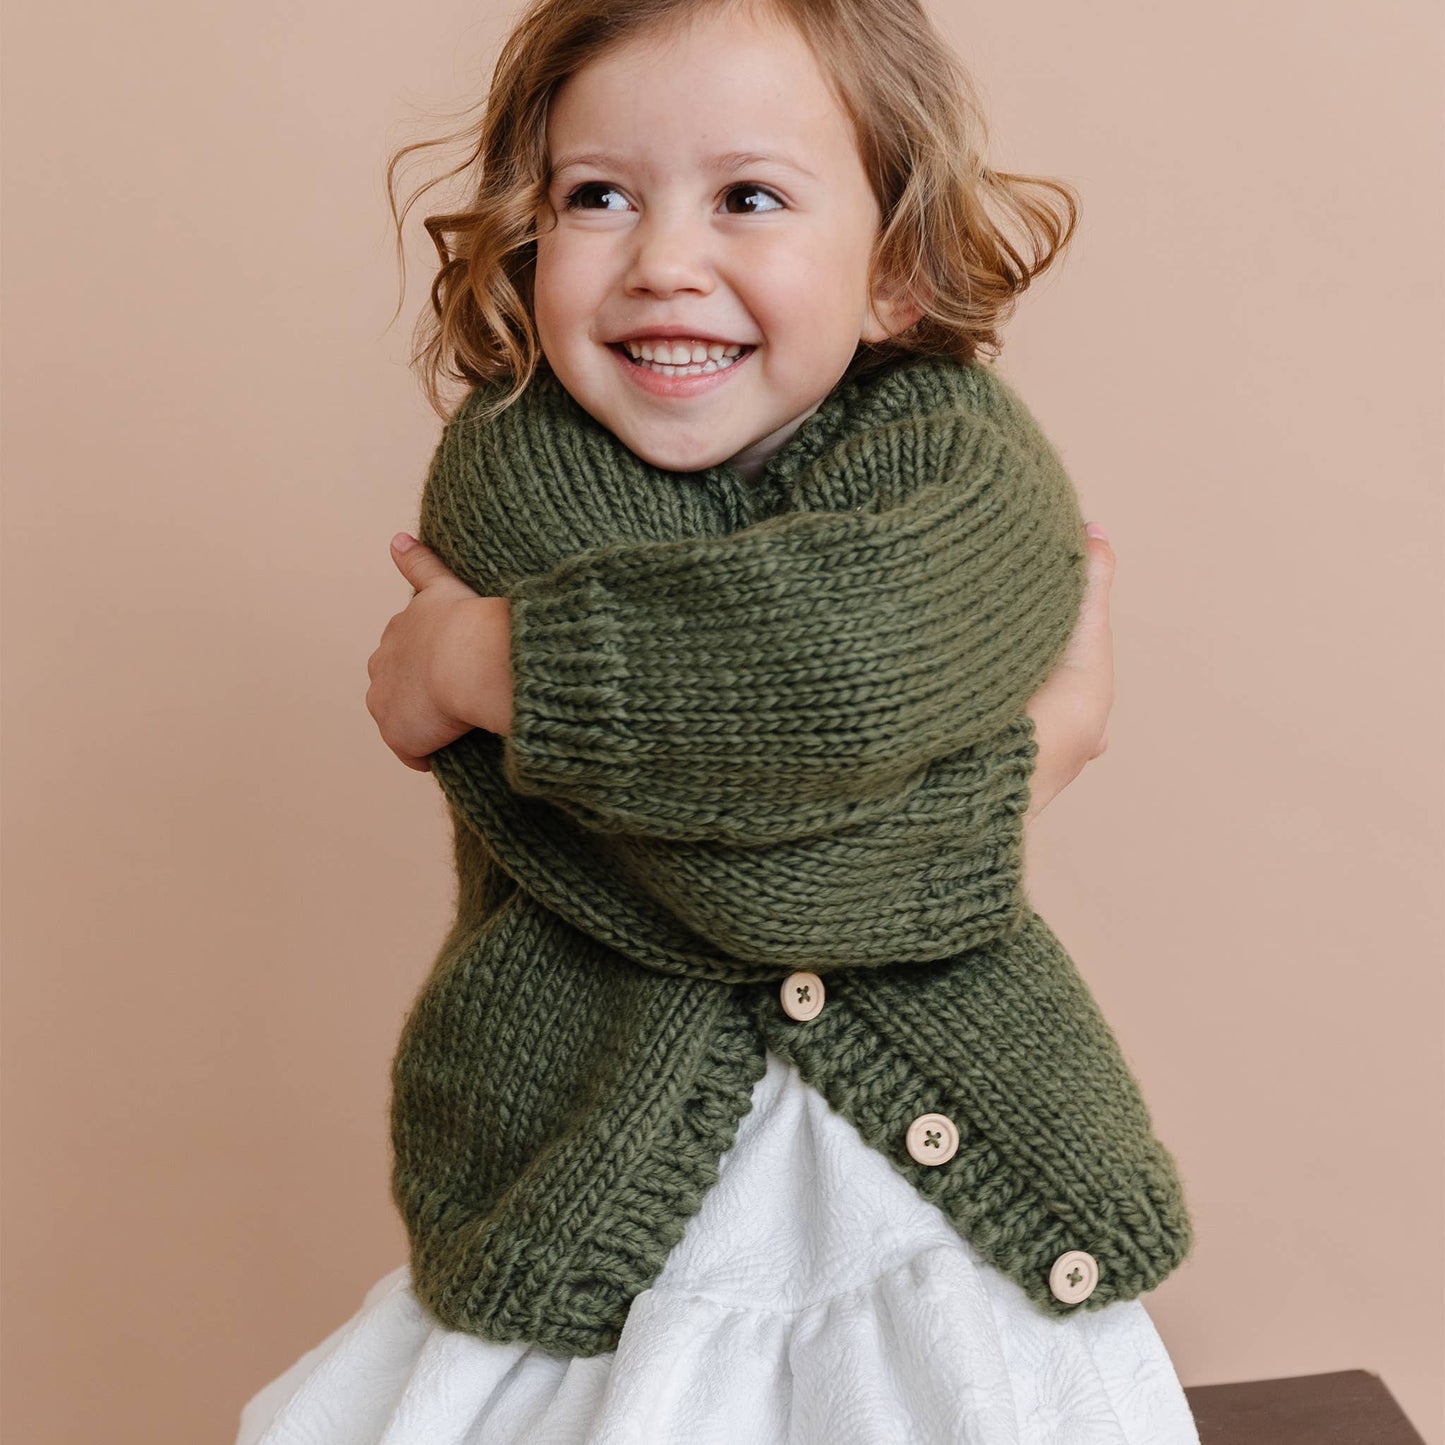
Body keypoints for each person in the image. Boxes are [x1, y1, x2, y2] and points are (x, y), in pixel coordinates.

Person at [235, 0, 1201, 1439]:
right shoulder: (514, 480)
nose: (661, 263)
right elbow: (738, 869)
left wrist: (484, 664)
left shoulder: (966, 460)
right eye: (597, 196)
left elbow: (836, 668)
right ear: (527, 235)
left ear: (891, 273)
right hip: (593, 1193)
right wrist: (1018, 770)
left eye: (748, 196)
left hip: (939, 1227)